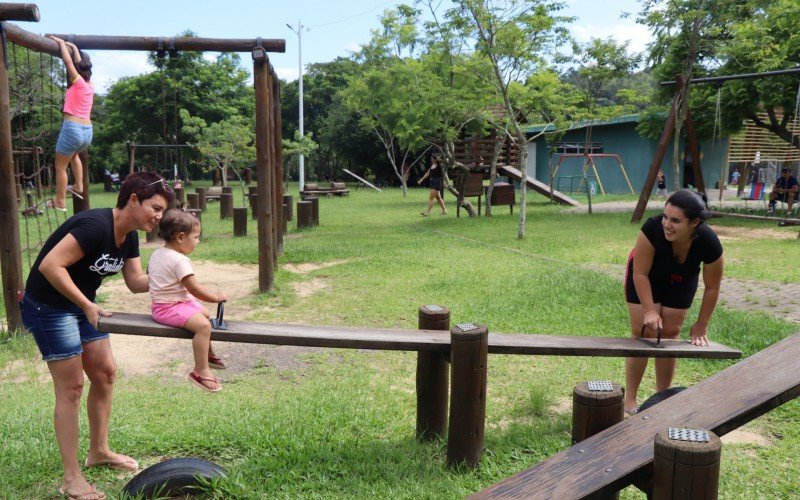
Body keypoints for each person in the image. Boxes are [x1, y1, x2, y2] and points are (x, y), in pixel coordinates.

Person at [19, 172, 174, 500]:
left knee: (104, 373)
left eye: (162, 210)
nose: (159, 216)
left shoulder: (129, 233)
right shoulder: (95, 227)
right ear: (133, 200)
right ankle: (71, 478)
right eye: (155, 207)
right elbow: (50, 266)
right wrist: (87, 304)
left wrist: (176, 275)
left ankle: (99, 451)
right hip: (49, 306)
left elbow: (134, 281)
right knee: (72, 387)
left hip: (82, 305)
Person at [623, 189, 723, 416]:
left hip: (681, 277)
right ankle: (630, 401)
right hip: (646, 275)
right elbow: (640, 273)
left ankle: (662, 398)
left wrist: (702, 324)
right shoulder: (651, 229)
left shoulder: (709, 242)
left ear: (695, 223)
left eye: (675, 220)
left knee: (670, 333)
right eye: (665, 216)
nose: (666, 224)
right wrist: (649, 310)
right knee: (644, 333)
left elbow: (713, 287)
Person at [148, 209, 228, 392]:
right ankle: (200, 371)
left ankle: (207, 354)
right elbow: (194, 288)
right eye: (196, 237)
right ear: (181, 237)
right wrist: (217, 298)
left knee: (205, 314)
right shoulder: (180, 260)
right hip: (168, 307)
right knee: (203, 326)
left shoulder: (156, 254)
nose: (198, 242)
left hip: (169, 303)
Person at [48, 36, 93, 212]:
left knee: (60, 165)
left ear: (78, 71)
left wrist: (60, 44)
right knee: (74, 156)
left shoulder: (78, 83)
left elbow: (67, 62)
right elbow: (76, 63)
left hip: (72, 128)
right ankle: (79, 186)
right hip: (87, 132)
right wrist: (74, 48)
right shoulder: (90, 86)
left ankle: (60, 201)